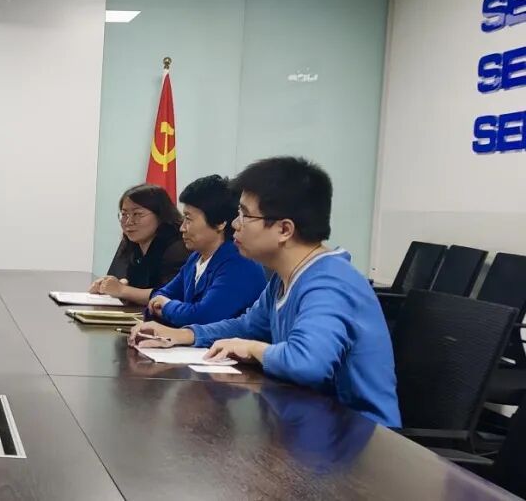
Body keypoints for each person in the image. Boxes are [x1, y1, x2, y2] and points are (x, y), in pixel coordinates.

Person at [129, 157, 401, 428]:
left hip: (361, 437)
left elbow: (307, 362)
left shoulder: (330, 281)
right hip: (309, 424)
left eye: (245, 215)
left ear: (284, 229)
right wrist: (184, 335)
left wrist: (252, 348)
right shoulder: (285, 277)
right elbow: (247, 326)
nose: (235, 224)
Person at [144, 175, 265, 326]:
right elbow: (161, 295)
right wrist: (169, 307)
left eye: (189, 219)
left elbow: (202, 317)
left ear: (220, 223)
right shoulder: (196, 258)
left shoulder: (239, 263)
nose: (182, 228)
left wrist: (168, 307)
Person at [89, 184, 188, 305]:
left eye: (137, 214)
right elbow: (129, 279)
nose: (129, 222)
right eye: (124, 214)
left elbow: (171, 296)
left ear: (160, 215)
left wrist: (122, 290)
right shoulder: (131, 242)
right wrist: (109, 284)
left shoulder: (178, 247)